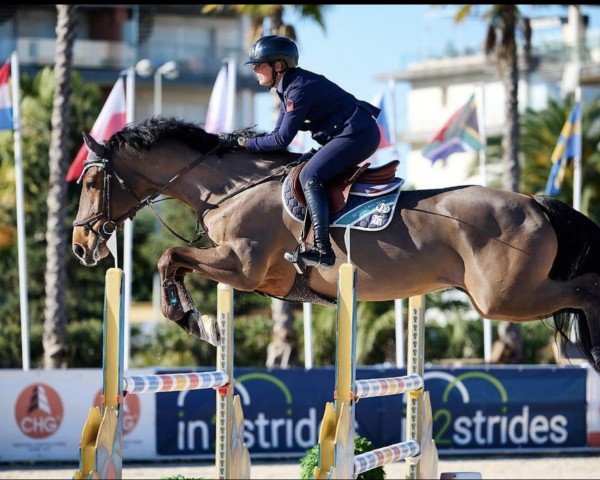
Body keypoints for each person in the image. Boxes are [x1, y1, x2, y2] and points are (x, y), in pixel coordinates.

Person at [220, 35, 381, 269]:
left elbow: (280, 140)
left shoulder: (298, 90)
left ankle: (323, 250)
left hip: (358, 134)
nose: (254, 69)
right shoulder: (288, 87)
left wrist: (244, 143)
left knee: (309, 176)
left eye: (259, 64)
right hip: (346, 134)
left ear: (278, 66)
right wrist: (245, 141)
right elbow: (277, 134)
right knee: (300, 168)